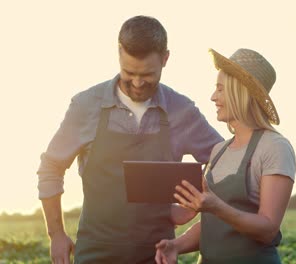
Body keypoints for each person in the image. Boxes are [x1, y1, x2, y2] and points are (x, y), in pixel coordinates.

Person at [37, 15, 223, 263]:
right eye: (129, 72)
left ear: (165, 59)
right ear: (119, 52)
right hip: (95, 253)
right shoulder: (86, 105)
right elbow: (51, 167)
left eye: (147, 74)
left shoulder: (182, 110)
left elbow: (225, 162)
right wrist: (56, 234)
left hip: (157, 254)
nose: (137, 83)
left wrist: (192, 204)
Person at [155, 48, 296, 264]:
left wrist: (216, 206)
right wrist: (177, 245)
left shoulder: (274, 147)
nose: (213, 97)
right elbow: (214, 223)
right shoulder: (218, 151)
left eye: (220, 90)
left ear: (239, 93)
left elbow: (268, 228)